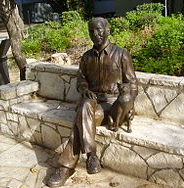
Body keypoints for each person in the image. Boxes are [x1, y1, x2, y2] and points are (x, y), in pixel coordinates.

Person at [47, 17, 138, 187]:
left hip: (114, 106)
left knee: (80, 118)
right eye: (91, 31)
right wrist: (84, 90)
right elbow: (81, 81)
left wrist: (129, 104)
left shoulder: (121, 54)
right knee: (85, 107)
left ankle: (65, 168)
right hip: (94, 104)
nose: (95, 34)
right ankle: (92, 156)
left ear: (108, 30)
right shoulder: (86, 57)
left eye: (99, 29)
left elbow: (132, 84)